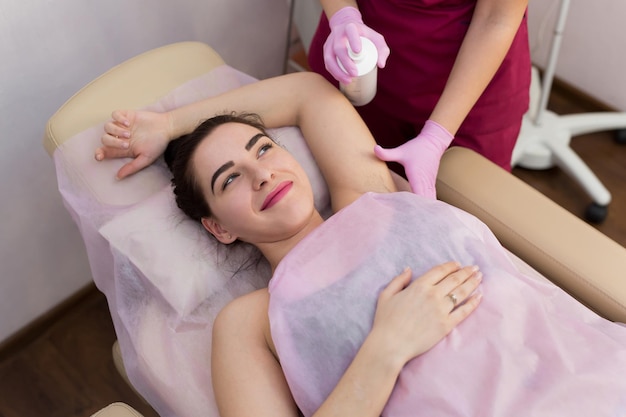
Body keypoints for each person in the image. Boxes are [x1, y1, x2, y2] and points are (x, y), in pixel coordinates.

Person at [95, 72, 626, 416]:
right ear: (219, 229)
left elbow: (307, 94)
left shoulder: (370, 197)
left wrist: (167, 124)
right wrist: (387, 347)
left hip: (593, 377)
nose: (261, 173)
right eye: (229, 179)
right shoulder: (250, 322)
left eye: (263, 148)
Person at [307, 0, 531, 197]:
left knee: (462, 220)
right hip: (359, 58)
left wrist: (436, 137)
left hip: (471, 90)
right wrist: (343, 15)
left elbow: (497, 17)